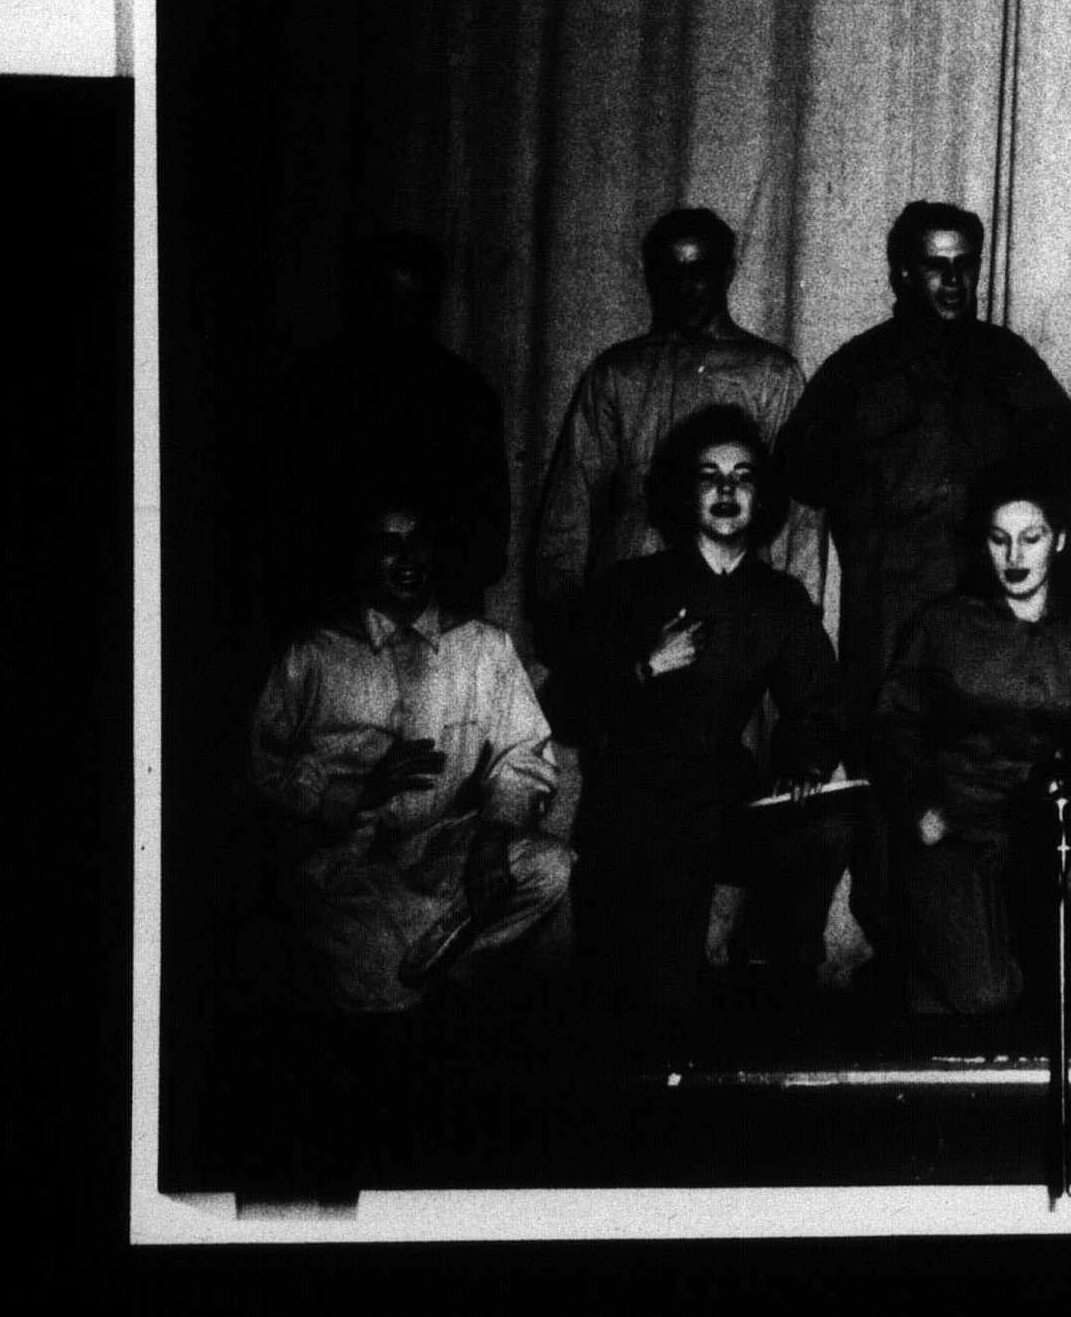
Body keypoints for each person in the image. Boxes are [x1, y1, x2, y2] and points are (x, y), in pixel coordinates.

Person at [775, 202, 1071, 950]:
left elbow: (1065, 442)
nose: (952, 281)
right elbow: (798, 466)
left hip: (985, 609)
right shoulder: (860, 366)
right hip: (890, 610)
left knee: (986, 769)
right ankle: (895, 954)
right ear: (903, 274)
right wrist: (871, 468)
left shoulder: (1005, 359)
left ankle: (985, 947)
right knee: (892, 774)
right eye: (934, 266)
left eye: (964, 266)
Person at [551, 406, 853, 1022]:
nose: (725, 490)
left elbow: (819, 701)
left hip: (724, 796)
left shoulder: (778, 598)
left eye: (743, 477)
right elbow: (566, 708)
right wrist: (646, 668)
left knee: (830, 826)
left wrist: (805, 763)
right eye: (708, 476)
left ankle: (778, 992)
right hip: (638, 802)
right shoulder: (631, 586)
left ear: (762, 496)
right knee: (657, 1004)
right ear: (681, 492)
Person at [243, 494, 572, 1015]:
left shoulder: (483, 647)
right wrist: (355, 792)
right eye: (388, 545)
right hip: (345, 871)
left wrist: (491, 840)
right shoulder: (315, 655)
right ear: (364, 556)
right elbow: (257, 772)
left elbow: (522, 753)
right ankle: (413, 971)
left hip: (444, 851)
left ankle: (448, 967)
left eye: (418, 542)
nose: (407, 559)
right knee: (385, 989)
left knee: (549, 866)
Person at [871, 463, 1071, 1017]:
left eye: (1032, 538)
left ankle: (1046, 976)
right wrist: (919, 803)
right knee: (984, 998)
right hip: (952, 829)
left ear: (1060, 540)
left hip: (1038, 831)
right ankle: (929, 970)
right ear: (983, 544)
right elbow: (892, 726)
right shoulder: (942, 625)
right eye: (999, 540)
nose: (1014, 556)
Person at [531, 207, 820, 661]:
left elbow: (799, 518)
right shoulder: (618, 372)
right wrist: (560, 608)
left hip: (732, 600)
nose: (685, 288)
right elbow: (572, 500)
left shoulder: (770, 374)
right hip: (628, 597)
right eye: (671, 272)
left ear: (726, 272)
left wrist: (798, 617)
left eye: (699, 271)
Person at [264, 231, 513, 633]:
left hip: (436, 626)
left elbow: (486, 539)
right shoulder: (311, 389)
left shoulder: (467, 395)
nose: (401, 321)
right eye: (388, 303)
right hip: (336, 621)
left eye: (416, 306)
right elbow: (285, 525)